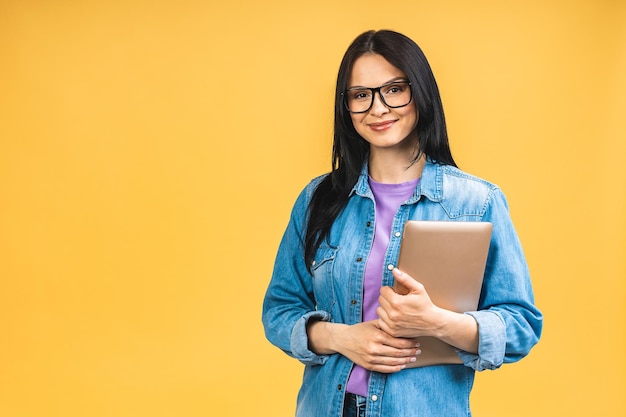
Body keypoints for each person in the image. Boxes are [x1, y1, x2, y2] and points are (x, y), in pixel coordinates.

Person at [262, 29, 543, 417]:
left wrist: (439, 323)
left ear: (421, 93)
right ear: (346, 107)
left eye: (394, 89)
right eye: (361, 95)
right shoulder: (317, 200)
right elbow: (279, 310)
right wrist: (341, 338)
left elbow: (521, 326)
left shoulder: (478, 203)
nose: (377, 108)